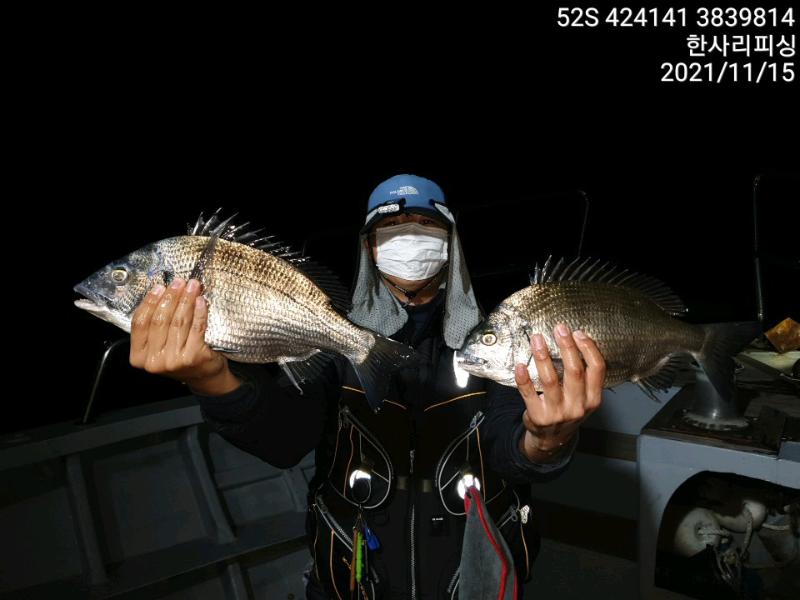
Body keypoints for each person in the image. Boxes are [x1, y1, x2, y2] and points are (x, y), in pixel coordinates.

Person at [128, 174, 607, 599]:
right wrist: (211, 379)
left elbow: (510, 451)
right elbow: (285, 441)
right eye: (391, 229)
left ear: (451, 245)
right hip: (355, 572)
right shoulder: (331, 334)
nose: (410, 239)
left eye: (426, 227)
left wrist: (546, 438)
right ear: (371, 248)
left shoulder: (497, 337)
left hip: (469, 572)